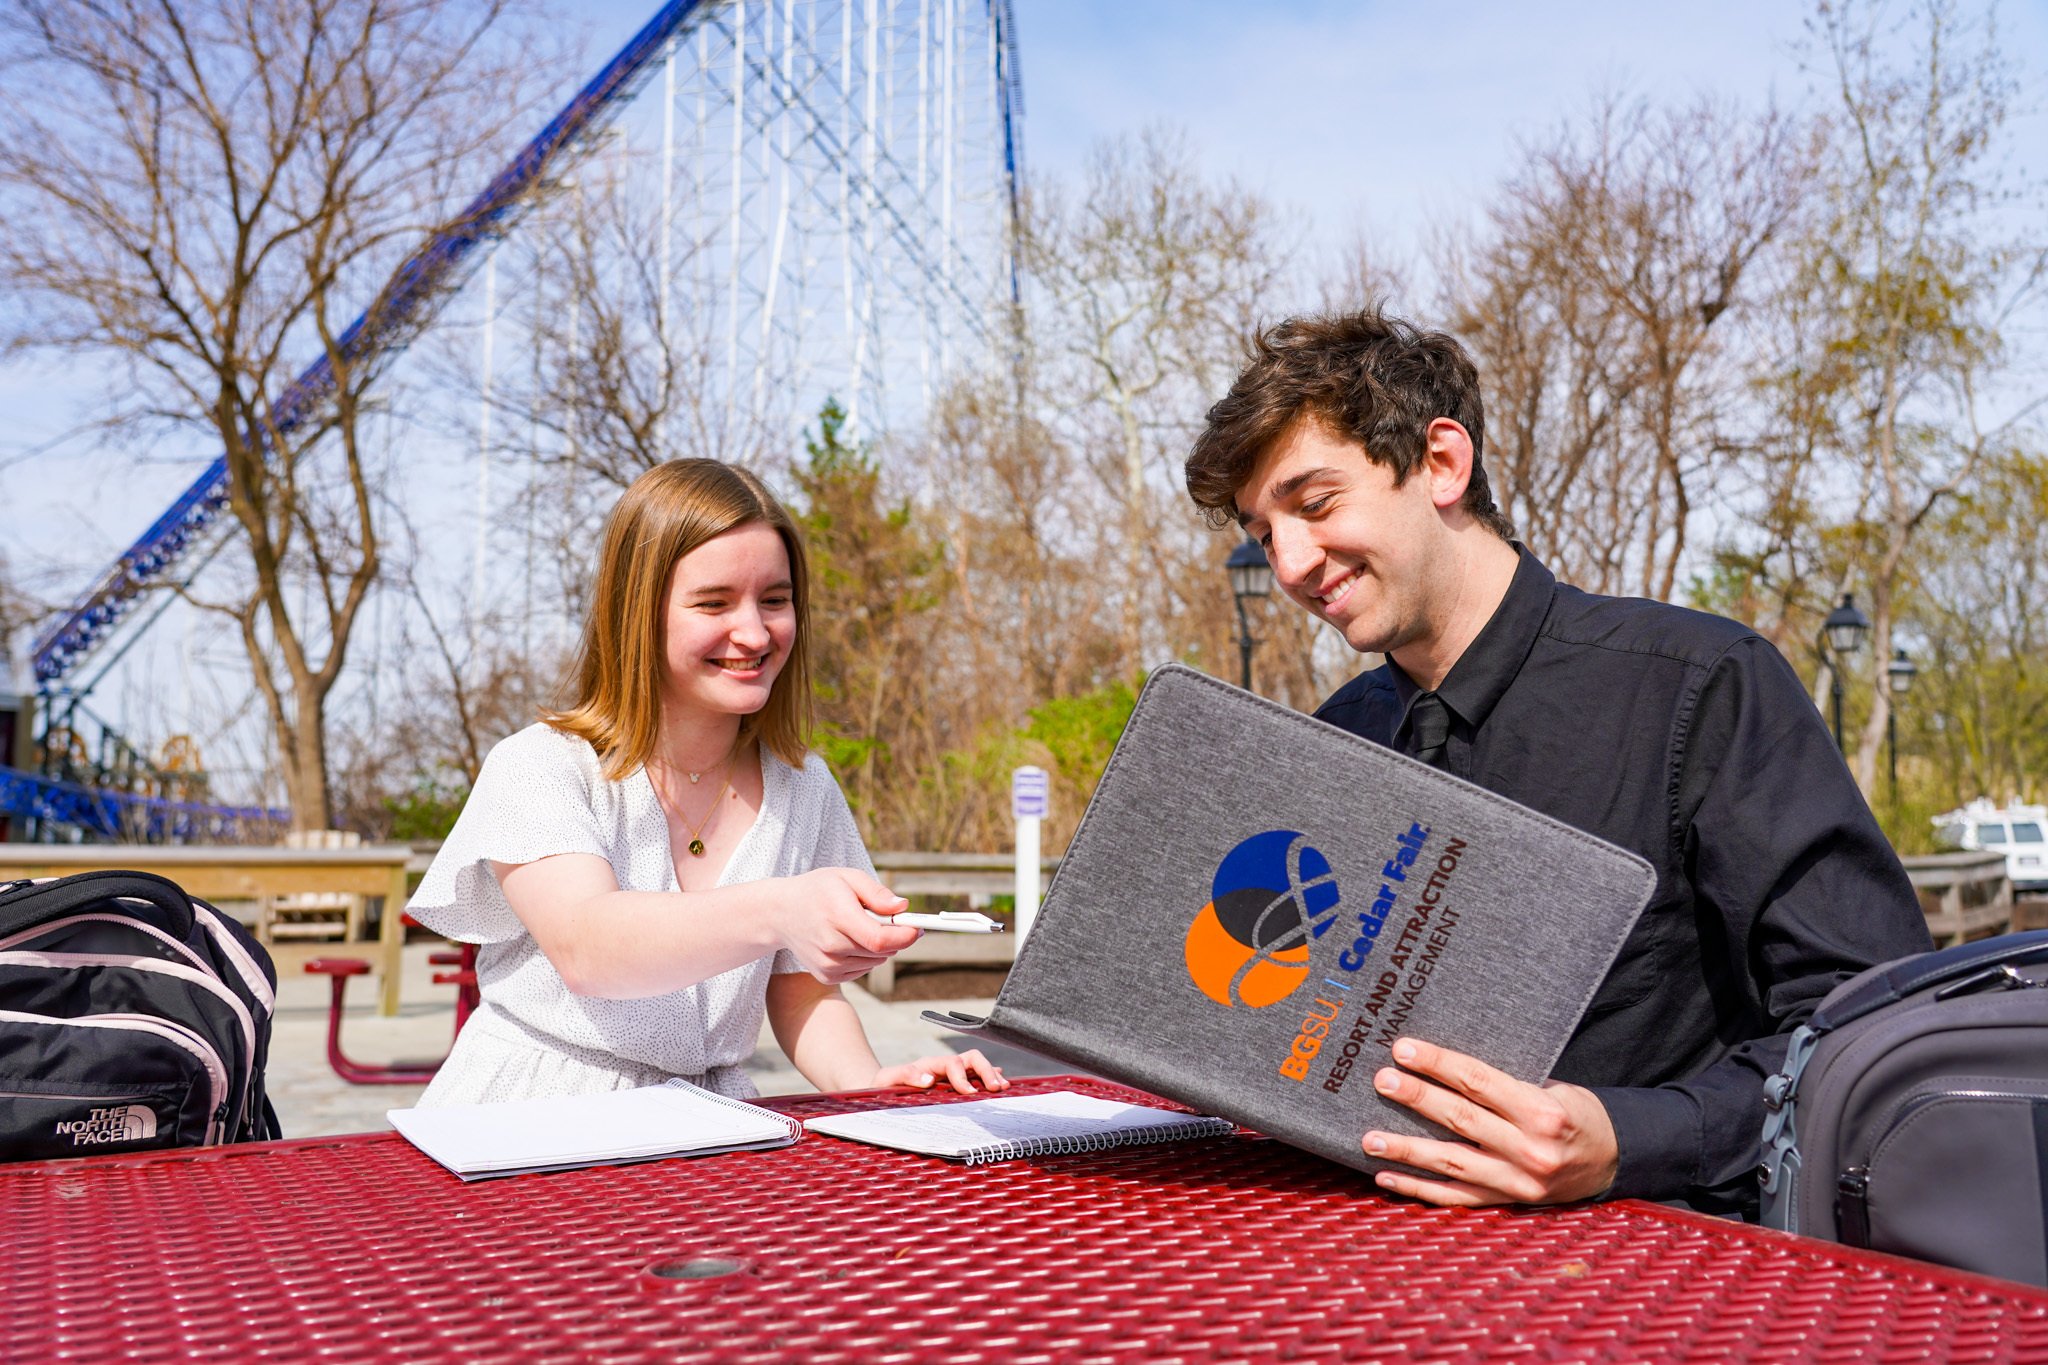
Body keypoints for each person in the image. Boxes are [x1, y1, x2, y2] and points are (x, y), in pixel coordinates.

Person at [1183, 309, 1931, 1218]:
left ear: (1443, 465)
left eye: (1315, 503)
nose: (1292, 563)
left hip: (1664, 1272)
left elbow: (1878, 1035)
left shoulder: (1702, 685)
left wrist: (1629, 1138)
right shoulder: (1336, 735)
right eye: (1265, 533)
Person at [408, 459, 1004, 1107]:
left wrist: (867, 1080)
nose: (753, 632)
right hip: (532, 1114)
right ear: (639, 612)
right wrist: (783, 908)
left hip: (713, 1118)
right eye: (714, 602)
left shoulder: (806, 786)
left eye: (774, 599)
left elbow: (801, 988)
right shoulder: (540, 765)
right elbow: (589, 948)